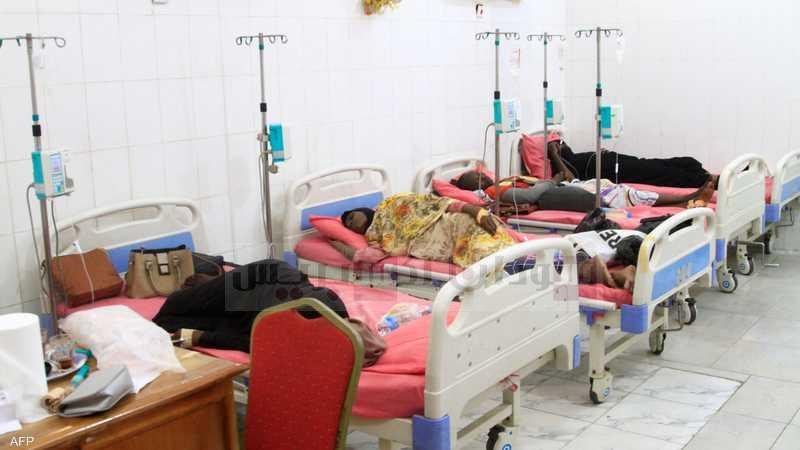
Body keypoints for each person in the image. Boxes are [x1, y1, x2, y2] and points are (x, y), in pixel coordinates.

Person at [153, 259, 385, 367]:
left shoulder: (302, 338)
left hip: (253, 310)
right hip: (262, 278)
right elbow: (257, 342)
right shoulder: (328, 307)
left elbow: (255, 343)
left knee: (176, 321)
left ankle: (207, 282)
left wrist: (198, 336)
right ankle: (209, 283)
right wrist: (200, 337)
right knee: (173, 307)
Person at [337, 193, 514, 269]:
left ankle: (515, 262)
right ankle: (514, 266)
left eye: (352, 216)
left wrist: (474, 210)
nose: (352, 223)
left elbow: (432, 203)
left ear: (363, 209)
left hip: (450, 222)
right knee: (483, 255)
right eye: (349, 225)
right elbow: (362, 256)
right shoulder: (374, 238)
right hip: (438, 240)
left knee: (482, 230)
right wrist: (334, 241)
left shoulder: (392, 202)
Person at [548, 137, 715, 188]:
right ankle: (709, 181)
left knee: (682, 162)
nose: (560, 144)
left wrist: (559, 144)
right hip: (612, 172)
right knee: (659, 173)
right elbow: (570, 179)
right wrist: (554, 153)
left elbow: (568, 149)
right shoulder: (557, 166)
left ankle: (701, 172)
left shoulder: (563, 151)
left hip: (611, 159)